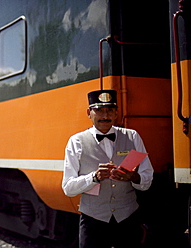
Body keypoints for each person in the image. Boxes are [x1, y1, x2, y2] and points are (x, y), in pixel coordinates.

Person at [62, 90, 154, 248]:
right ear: (88, 113)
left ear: (116, 113)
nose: (105, 116)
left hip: (128, 217)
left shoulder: (132, 136)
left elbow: (147, 179)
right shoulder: (76, 141)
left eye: (110, 110)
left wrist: (133, 177)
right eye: (98, 110)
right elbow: (68, 188)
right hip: (93, 220)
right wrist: (94, 178)